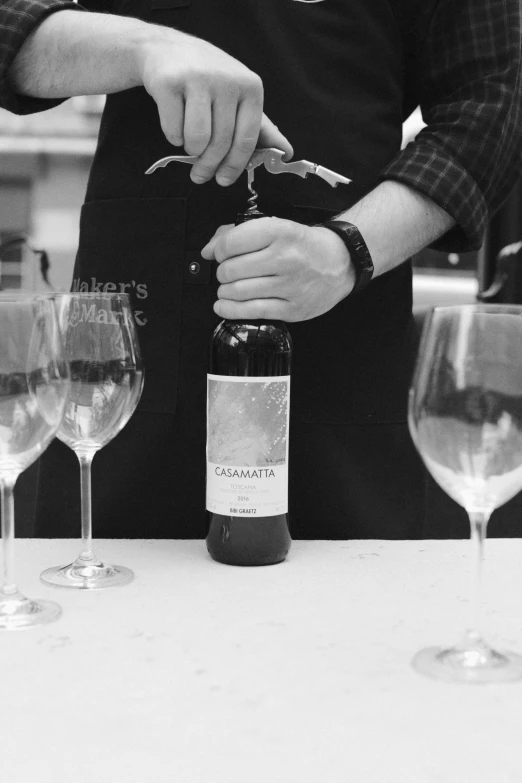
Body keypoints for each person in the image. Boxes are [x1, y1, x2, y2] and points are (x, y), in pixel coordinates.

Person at [1, 0, 521, 539]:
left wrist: (346, 251)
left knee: (346, 610)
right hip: (130, 352)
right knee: (101, 600)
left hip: (344, 359)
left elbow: (495, 100)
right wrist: (146, 47)